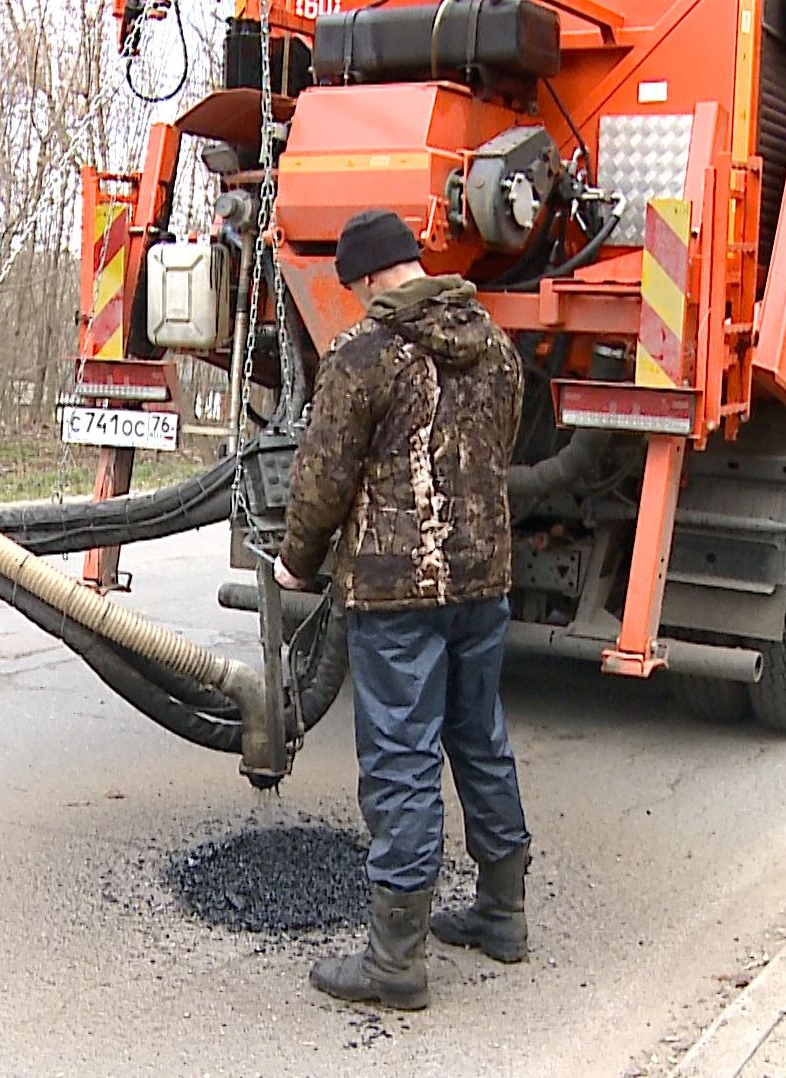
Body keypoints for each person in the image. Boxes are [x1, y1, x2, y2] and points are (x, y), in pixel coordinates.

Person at [275, 209, 532, 1011]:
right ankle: (502, 914)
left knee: (401, 757)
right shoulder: (493, 346)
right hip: (482, 581)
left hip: (396, 590)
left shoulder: (363, 356)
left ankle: (395, 960)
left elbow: (324, 476)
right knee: (479, 736)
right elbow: (500, 448)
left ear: (365, 278)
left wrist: (296, 562)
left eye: (352, 286)